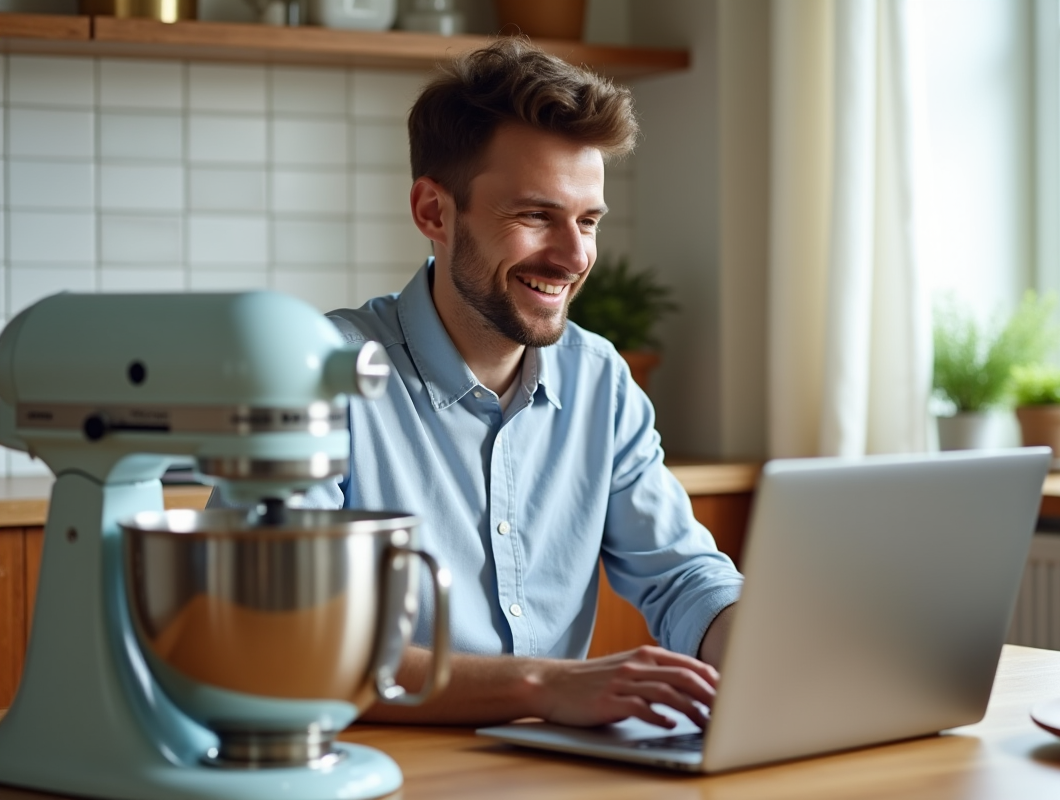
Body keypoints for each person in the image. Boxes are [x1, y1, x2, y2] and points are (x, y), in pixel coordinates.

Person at [220, 38, 744, 730]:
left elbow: (684, 578)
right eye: (536, 216)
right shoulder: (316, 374)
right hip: (375, 764)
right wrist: (541, 686)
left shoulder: (600, 380)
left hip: (550, 770)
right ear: (434, 213)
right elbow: (275, 640)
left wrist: (761, 648)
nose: (574, 256)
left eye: (588, 221)